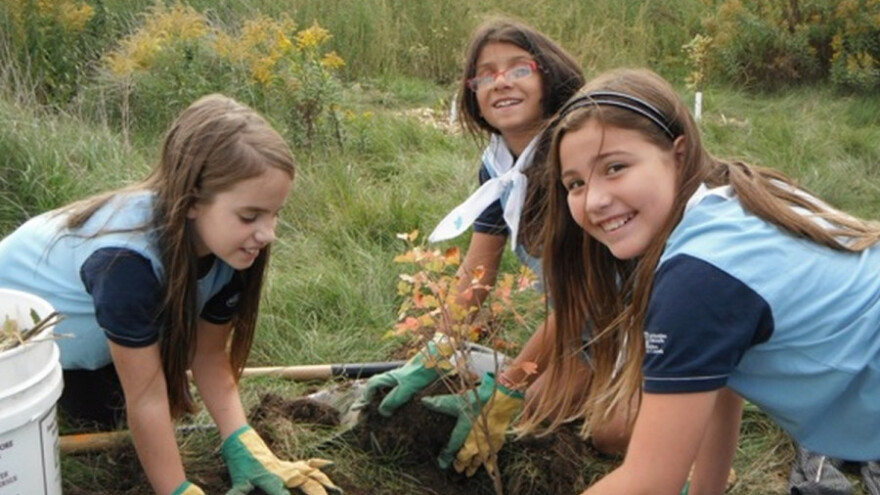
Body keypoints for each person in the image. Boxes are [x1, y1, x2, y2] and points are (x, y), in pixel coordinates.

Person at [540, 67, 880, 495]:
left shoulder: (697, 279)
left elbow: (649, 483)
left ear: (677, 153)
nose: (595, 200)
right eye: (575, 183)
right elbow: (720, 384)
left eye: (615, 167)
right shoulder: (730, 200)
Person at [0, 94, 339, 495]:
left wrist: (243, 442)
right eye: (250, 216)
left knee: (108, 413)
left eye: (275, 213)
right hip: (13, 339)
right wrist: (178, 490)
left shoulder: (231, 249)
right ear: (193, 200)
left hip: (91, 336)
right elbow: (145, 398)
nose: (268, 234)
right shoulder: (125, 265)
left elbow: (209, 355)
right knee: (129, 402)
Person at [354, 16, 634, 476]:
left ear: (549, 76)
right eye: (485, 75)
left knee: (609, 430)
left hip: (631, 313)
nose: (500, 82)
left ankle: (691, 429)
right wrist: (439, 349)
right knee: (540, 409)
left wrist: (507, 383)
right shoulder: (499, 166)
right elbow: (478, 270)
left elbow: (584, 293)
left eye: (518, 69)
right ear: (473, 94)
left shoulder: (574, 158)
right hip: (586, 326)